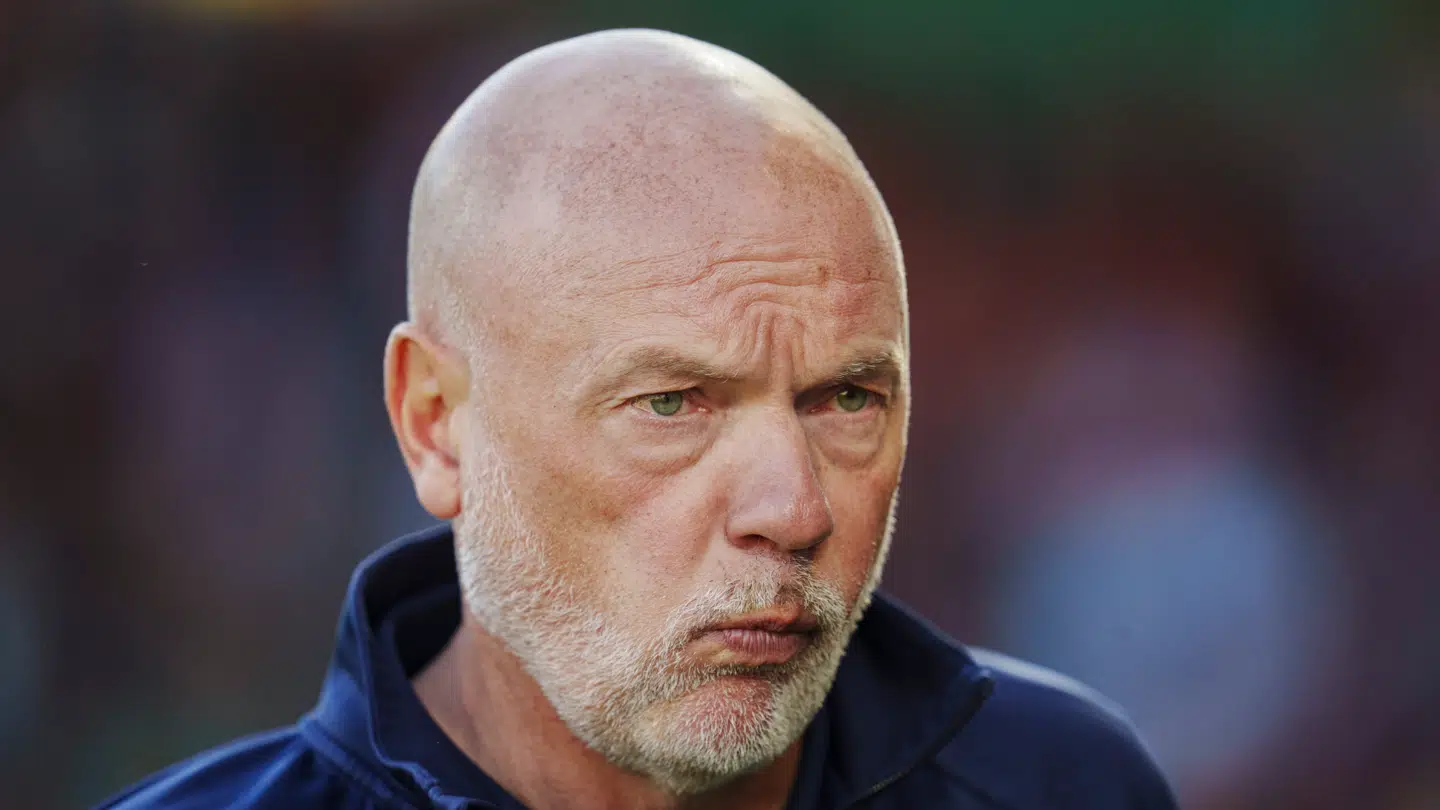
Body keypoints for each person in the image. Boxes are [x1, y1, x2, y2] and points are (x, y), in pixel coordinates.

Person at [97, 29, 1179, 810]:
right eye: (671, 404)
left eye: (847, 398)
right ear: (435, 424)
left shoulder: (1064, 782)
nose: (794, 509)